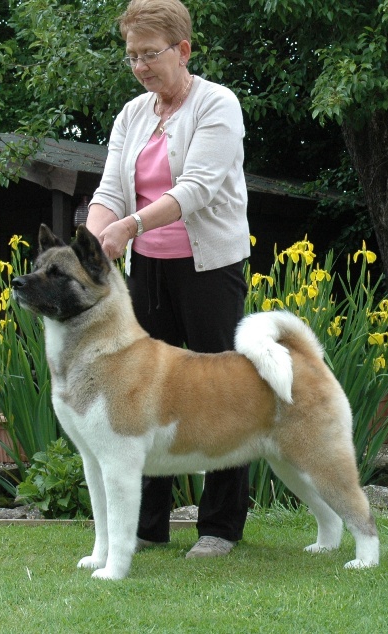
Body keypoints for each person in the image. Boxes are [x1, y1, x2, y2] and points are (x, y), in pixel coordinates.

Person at [86, 0, 251, 559]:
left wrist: (129, 226)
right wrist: (88, 245)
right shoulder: (132, 114)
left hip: (209, 272)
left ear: (183, 50)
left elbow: (198, 188)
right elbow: (110, 191)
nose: (140, 66)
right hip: (148, 272)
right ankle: (146, 525)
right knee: (142, 395)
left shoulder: (217, 104)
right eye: (132, 56)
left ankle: (220, 527)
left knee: (220, 392)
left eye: (150, 54)